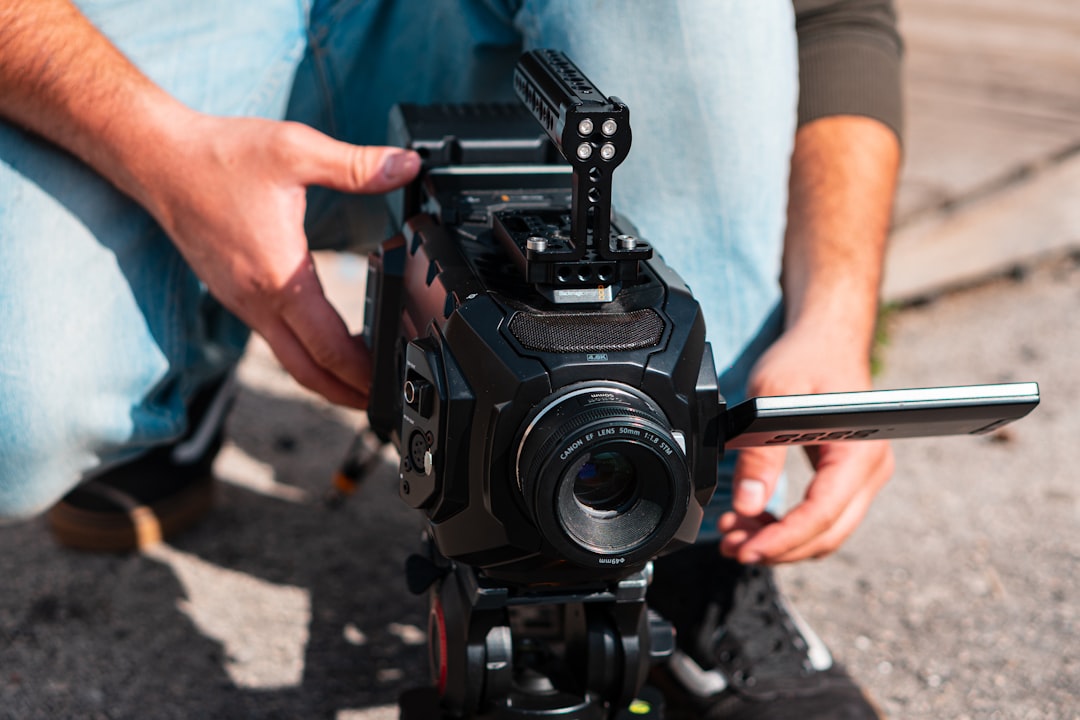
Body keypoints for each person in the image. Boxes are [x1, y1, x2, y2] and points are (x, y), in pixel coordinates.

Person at [0, 1, 902, 717]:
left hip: (473, 20)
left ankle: (689, 559)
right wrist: (163, 159)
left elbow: (837, 13)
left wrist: (834, 313)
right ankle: (180, 345)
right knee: (19, 415)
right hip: (130, 27)